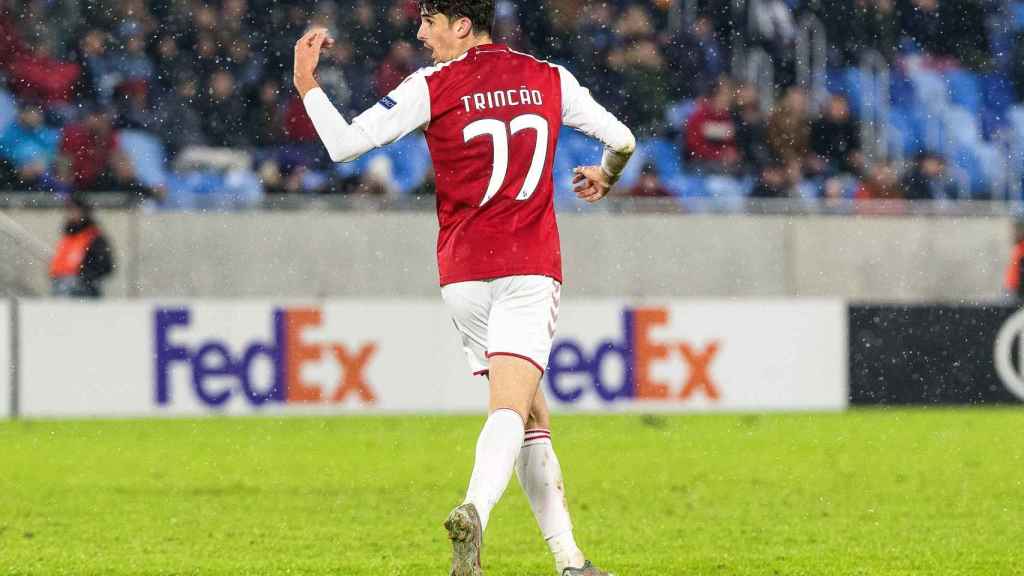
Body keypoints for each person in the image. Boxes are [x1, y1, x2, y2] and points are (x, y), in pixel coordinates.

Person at [293, 0, 635, 573]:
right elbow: (622, 138)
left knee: (528, 414)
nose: (421, 33)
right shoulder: (549, 79)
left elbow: (343, 144)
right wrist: (607, 174)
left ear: (461, 25)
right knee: (510, 405)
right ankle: (473, 510)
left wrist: (306, 84)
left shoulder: (431, 86)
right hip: (528, 266)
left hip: (464, 274)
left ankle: (572, 562)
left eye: (429, 21)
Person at [49, 195, 114, 298]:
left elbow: (106, 265)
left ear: (85, 213)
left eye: (75, 211)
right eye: (69, 211)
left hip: (83, 290)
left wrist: (84, 277)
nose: (71, 215)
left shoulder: (94, 237)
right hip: (60, 284)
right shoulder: (68, 236)